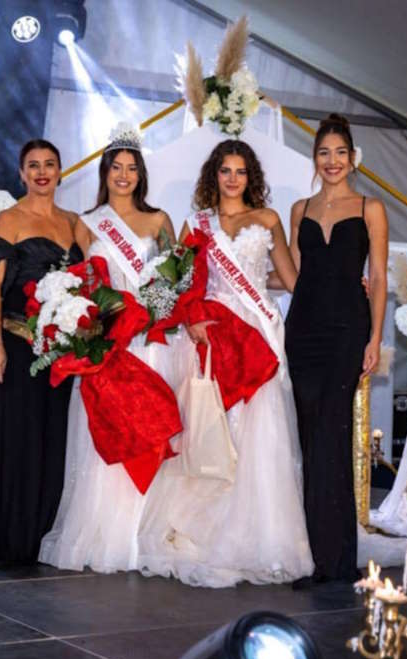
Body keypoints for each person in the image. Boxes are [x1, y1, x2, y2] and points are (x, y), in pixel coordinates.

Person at [137, 139, 314, 588]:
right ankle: (206, 529)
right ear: (213, 175)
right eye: (225, 171)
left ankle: (259, 533)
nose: (232, 179)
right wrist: (195, 317)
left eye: (240, 171)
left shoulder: (268, 219)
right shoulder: (196, 224)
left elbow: (290, 280)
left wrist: (336, 282)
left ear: (250, 177)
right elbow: (185, 282)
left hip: (259, 331)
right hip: (213, 334)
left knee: (260, 431)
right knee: (213, 426)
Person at [39, 124, 187, 573]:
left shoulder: (160, 220)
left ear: (141, 174)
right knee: (108, 433)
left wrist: (155, 308)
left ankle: (149, 534)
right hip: (111, 346)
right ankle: (109, 535)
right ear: (105, 172)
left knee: (151, 431)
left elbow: (179, 279)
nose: (124, 175)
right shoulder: (87, 223)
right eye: (116, 168)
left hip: (150, 345)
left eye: (132, 168)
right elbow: (83, 285)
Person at [0, 139, 83, 568]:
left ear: (60, 172)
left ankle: (36, 535)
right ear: (22, 174)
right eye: (33, 165)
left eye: (49, 164)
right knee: (16, 442)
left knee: (52, 441)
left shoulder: (74, 223)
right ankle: (5, 538)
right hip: (21, 346)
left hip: (61, 353)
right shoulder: (10, 219)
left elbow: (90, 280)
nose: (42, 172)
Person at [285, 114, 388, 583]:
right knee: (310, 439)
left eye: (340, 153)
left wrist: (376, 337)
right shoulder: (299, 209)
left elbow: (381, 278)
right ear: (315, 158)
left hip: (347, 329)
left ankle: (339, 558)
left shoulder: (371, 208)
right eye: (324, 153)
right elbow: (293, 274)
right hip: (303, 328)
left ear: (353, 158)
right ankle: (316, 557)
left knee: (333, 434)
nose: (332, 161)